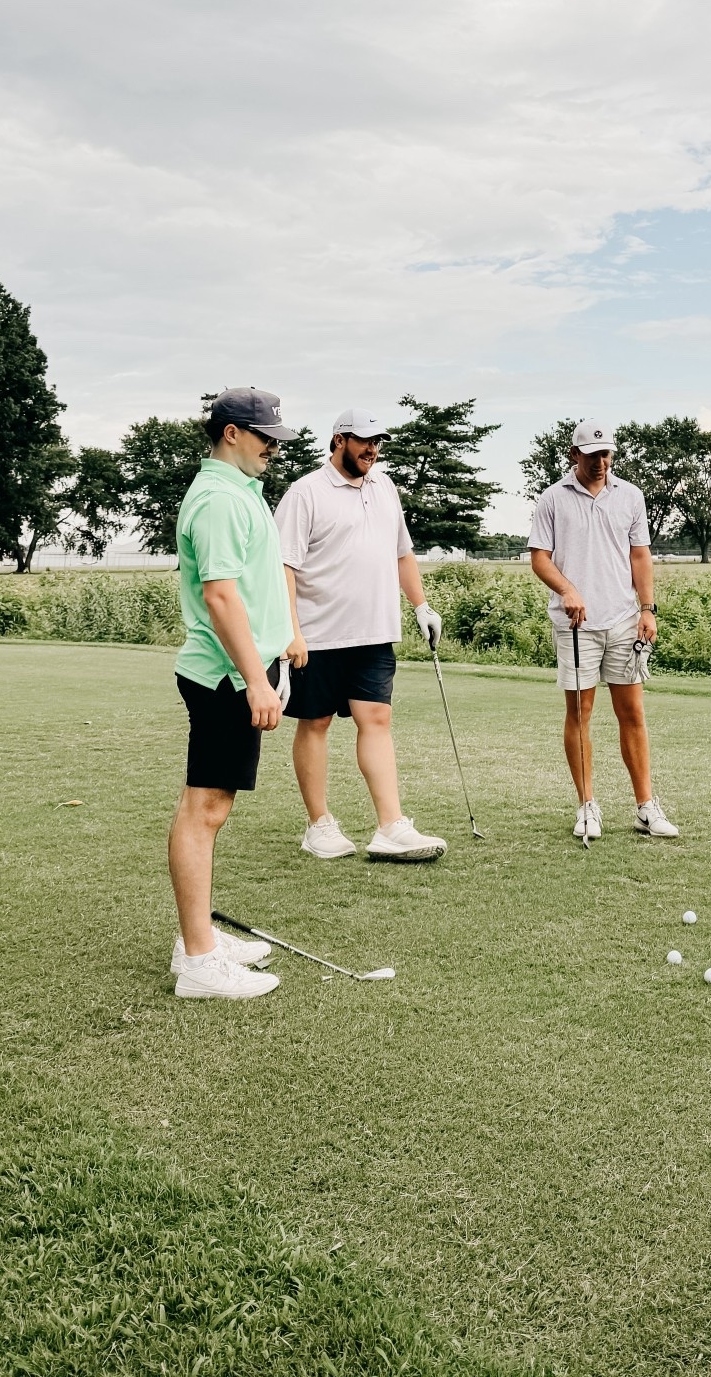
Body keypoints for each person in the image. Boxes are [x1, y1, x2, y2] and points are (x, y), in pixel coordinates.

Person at [168, 387, 304, 1001]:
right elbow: (221, 597)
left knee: (211, 807)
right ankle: (199, 959)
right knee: (206, 809)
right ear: (230, 433)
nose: (274, 448)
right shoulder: (220, 499)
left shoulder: (240, 490)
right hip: (225, 676)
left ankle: (199, 940)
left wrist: (283, 644)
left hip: (240, 669)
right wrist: (256, 678)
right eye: (265, 437)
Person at [274, 410, 447, 862]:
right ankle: (319, 825)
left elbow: (402, 554)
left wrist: (421, 606)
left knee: (377, 721)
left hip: (374, 633)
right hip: (316, 635)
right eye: (364, 442)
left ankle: (391, 825)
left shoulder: (385, 487)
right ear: (339, 440)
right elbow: (284, 568)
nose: (373, 450)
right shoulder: (305, 492)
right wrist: (291, 632)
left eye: (378, 443)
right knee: (315, 723)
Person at [528, 420, 679, 841]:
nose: (601, 462)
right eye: (593, 454)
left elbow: (640, 556)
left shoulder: (630, 495)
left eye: (607, 454)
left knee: (632, 712)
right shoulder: (552, 499)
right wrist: (567, 589)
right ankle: (587, 806)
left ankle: (645, 807)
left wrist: (647, 610)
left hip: (623, 620)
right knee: (580, 713)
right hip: (575, 624)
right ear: (573, 455)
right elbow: (540, 558)